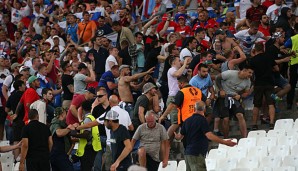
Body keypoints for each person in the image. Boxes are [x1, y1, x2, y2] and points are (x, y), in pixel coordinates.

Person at [174, 101, 237, 171]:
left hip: (187, 153)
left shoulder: (187, 121)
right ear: (204, 109)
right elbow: (209, 135)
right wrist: (225, 142)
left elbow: (179, 137)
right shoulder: (202, 120)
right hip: (197, 153)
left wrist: (175, 135)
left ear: (194, 109)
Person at [214, 65, 253, 138]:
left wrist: (240, 96)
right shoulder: (230, 73)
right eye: (249, 72)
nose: (250, 75)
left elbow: (246, 93)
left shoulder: (248, 81)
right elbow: (217, 78)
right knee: (226, 119)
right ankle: (226, 138)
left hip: (235, 98)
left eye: (251, 74)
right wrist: (221, 90)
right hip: (224, 96)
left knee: (240, 115)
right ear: (244, 70)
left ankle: (245, 138)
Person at [250, 42, 278, 130]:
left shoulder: (253, 60)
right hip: (269, 83)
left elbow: (250, 73)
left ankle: (254, 124)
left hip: (258, 83)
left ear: (255, 49)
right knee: (271, 103)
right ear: (263, 48)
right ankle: (271, 123)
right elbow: (277, 68)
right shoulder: (269, 57)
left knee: (256, 104)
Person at [72, 100, 102, 171]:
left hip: (88, 149)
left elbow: (86, 134)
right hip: (92, 147)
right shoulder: (92, 117)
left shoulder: (88, 119)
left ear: (82, 109)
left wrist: (74, 134)